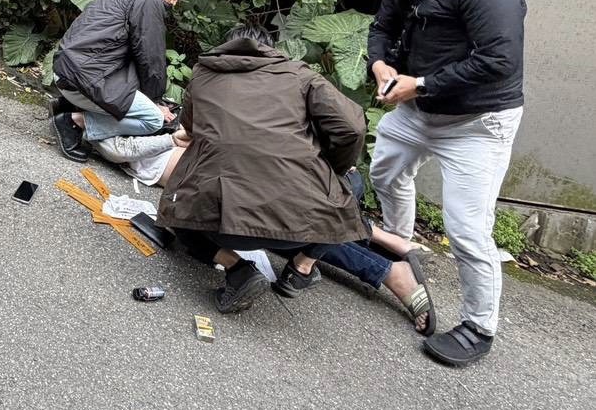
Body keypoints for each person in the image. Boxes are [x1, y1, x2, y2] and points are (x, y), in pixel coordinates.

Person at [367, 0, 526, 366]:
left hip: (478, 122)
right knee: (386, 169)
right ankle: (400, 243)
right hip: (419, 108)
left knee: (467, 228)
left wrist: (420, 83)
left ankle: (479, 325)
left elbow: (500, 60)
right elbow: (382, 28)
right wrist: (381, 65)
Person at [94, 128, 434, 333]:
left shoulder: (225, 104)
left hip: (271, 190)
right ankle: (390, 260)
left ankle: (388, 267)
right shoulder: (278, 95)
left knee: (192, 219)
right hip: (296, 194)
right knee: (296, 229)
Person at [156, 27, 377, 312]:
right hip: (298, 227)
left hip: (222, 227)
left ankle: (237, 269)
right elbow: (352, 128)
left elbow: (191, 130)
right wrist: (334, 168)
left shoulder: (204, 75)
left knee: (178, 205)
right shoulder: (301, 75)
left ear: (226, 47)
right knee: (352, 181)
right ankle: (301, 268)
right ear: (272, 50)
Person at [49, 0, 188, 161]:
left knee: (129, 86)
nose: (175, 2)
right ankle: (73, 121)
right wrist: (155, 102)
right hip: (82, 78)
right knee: (153, 119)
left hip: (65, 70)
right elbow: (151, 58)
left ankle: (65, 105)